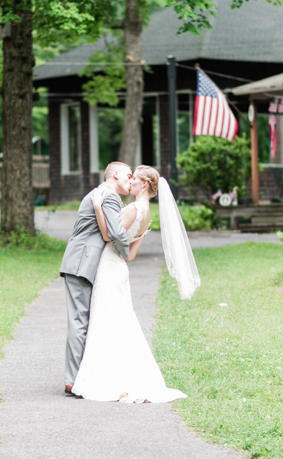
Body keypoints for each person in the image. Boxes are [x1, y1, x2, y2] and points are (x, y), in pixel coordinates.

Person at [71, 165, 200, 403]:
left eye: (133, 180)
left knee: (106, 321)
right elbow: (130, 255)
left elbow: (109, 235)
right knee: (119, 321)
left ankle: (108, 379)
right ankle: (119, 374)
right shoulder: (147, 212)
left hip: (110, 267)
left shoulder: (132, 208)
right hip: (120, 267)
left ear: (143, 185)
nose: (129, 183)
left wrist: (98, 207)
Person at [59, 161, 132, 396]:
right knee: (79, 322)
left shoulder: (99, 193)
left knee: (83, 320)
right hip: (82, 263)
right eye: (128, 176)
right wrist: (127, 251)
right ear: (116, 175)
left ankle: (80, 376)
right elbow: (115, 233)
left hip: (81, 261)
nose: (130, 180)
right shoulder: (108, 196)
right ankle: (72, 381)